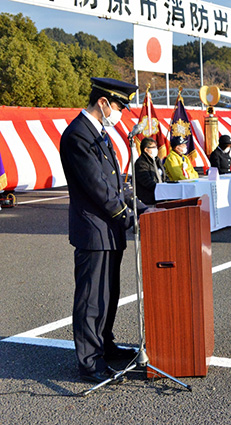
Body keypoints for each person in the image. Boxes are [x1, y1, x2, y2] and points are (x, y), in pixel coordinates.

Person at [59, 77, 143, 384]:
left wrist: (139, 207)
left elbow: (114, 183)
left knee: (109, 294)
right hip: (94, 230)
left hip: (109, 230)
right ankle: (89, 361)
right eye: (119, 106)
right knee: (91, 298)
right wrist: (127, 216)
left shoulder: (100, 135)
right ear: (103, 102)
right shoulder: (78, 135)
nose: (121, 112)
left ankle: (104, 344)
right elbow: (97, 186)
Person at [135, 137, 165, 205]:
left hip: (161, 197)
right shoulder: (141, 163)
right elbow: (147, 182)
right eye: (153, 147)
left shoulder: (157, 160)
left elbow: (164, 177)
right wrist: (160, 189)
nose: (156, 149)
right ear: (146, 149)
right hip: (149, 200)